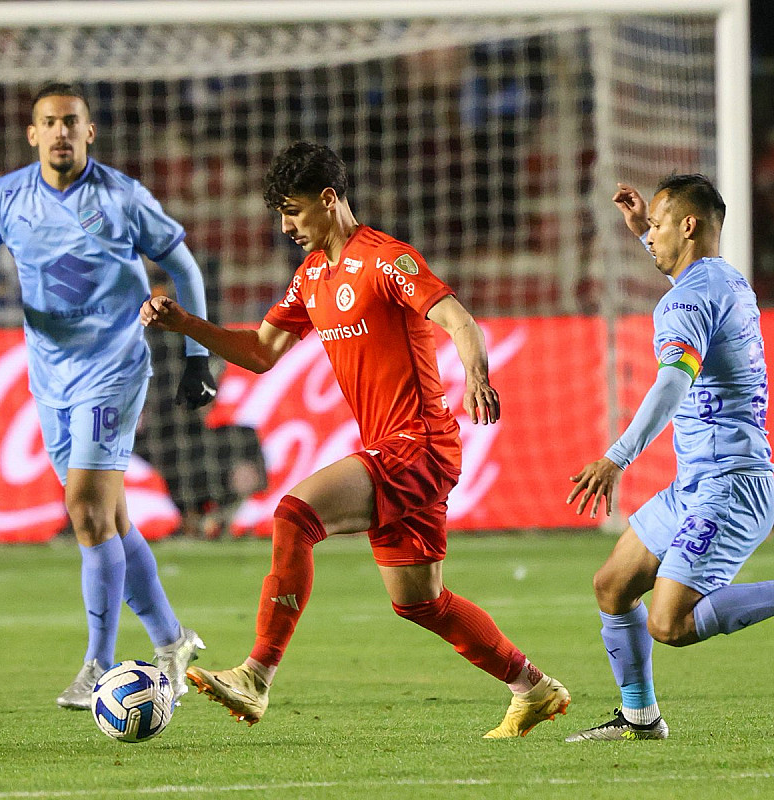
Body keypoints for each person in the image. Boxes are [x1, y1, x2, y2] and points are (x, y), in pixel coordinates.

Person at [140, 140, 570, 738]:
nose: (286, 226)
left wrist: (476, 374)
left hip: (418, 442)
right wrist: (185, 323)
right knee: (419, 601)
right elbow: (262, 352)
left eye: (293, 210)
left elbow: (457, 319)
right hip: (393, 448)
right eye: (280, 214)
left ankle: (256, 675)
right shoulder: (312, 275)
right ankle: (533, 687)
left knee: (294, 515)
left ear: (329, 198)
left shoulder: (386, 260)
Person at [0, 82, 216, 709]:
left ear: (90, 132)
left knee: (84, 508)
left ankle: (96, 665)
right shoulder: (3, 198)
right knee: (108, 519)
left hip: (114, 368)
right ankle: (172, 639)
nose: (59, 132)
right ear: (32, 134)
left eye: (70, 122)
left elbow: (186, 267)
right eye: (48, 122)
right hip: (49, 375)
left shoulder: (122, 197)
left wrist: (197, 355)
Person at [566, 174, 774, 741]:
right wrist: (645, 233)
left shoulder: (686, 299)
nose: (649, 235)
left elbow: (671, 385)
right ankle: (640, 718)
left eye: (657, 226)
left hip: (727, 484)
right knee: (613, 584)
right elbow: (685, 265)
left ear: (689, 226)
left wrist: (617, 456)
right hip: (703, 481)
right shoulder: (727, 279)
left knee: (670, 623)